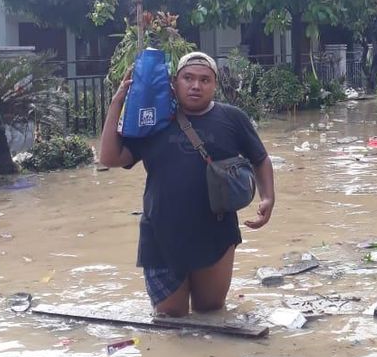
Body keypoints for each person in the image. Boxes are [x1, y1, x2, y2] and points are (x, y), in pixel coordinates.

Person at [99, 51, 275, 316]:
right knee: (170, 316)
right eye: (188, 78)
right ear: (174, 83)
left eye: (205, 80)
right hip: (161, 232)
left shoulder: (232, 118)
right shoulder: (154, 121)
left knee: (211, 309)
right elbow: (110, 158)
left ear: (215, 85)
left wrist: (267, 197)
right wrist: (117, 103)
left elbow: (260, 158)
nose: (196, 85)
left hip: (216, 230)